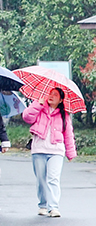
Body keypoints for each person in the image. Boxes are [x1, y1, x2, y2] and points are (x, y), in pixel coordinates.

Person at [22, 87, 76, 218]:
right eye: (50, 94)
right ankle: (43, 205)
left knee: (53, 178)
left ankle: (53, 207)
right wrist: (37, 104)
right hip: (39, 150)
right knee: (41, 179)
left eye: (55, 95)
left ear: (61, 99)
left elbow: (68, 134)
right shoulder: (39, 108)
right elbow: (26, 117)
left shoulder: (64, 115)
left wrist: (70, 152)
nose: (51, 96)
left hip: (56, 151)